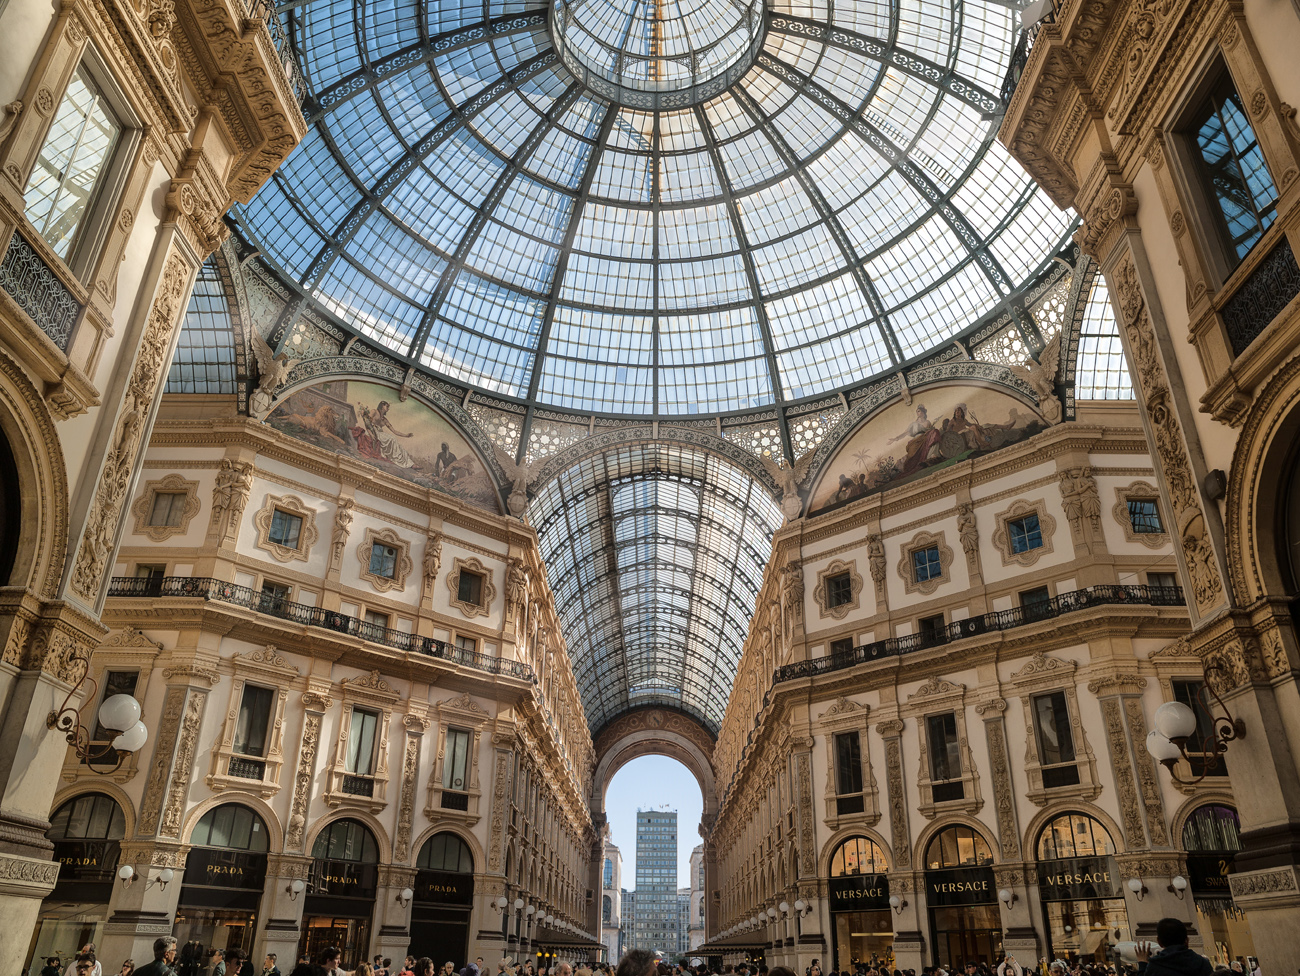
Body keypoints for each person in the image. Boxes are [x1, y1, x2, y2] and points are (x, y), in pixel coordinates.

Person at [1135, 920, 1212, 976]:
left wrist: (1142, 963)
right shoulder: (1202, 963)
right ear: (1187, 941)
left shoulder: (1155, 967)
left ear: (1159, 942)